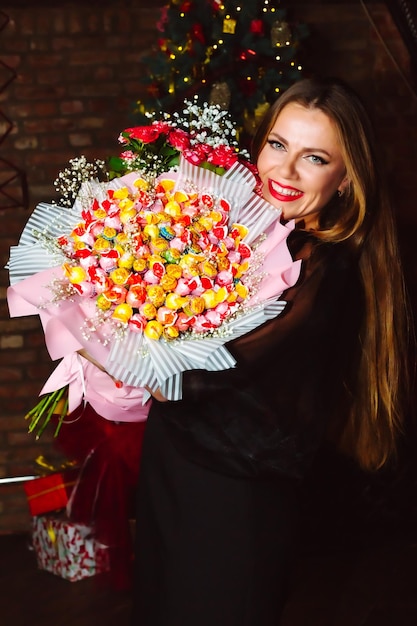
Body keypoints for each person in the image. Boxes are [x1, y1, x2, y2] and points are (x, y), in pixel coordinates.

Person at [131, 77, 412, 625]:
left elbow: (219, 368)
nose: (284, 171)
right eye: (278, 145)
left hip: (236, 495)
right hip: (176, 459)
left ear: (347, 177)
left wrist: (119, 357)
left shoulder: (326, 268)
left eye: (313, 158)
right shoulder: (244, 231)